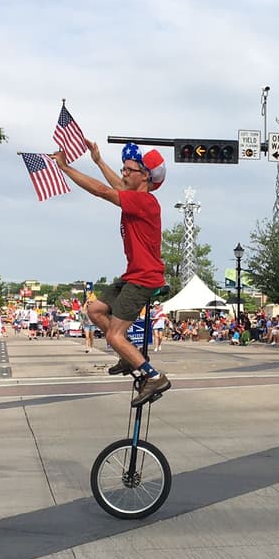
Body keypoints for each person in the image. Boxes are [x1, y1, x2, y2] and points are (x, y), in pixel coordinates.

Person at [54, 140, 171, 407]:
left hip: (144, 279)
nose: (124, 174)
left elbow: (101, 190)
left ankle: (153, 376)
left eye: (129, 170)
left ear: (145, 176)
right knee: (94, 310)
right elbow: (117, 186)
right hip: (132, 275)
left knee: (114, 335)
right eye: (123, 169)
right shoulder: (136, 197)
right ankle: (127, 356)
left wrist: (65, 167)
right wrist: (97, 161)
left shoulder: (146, 202)